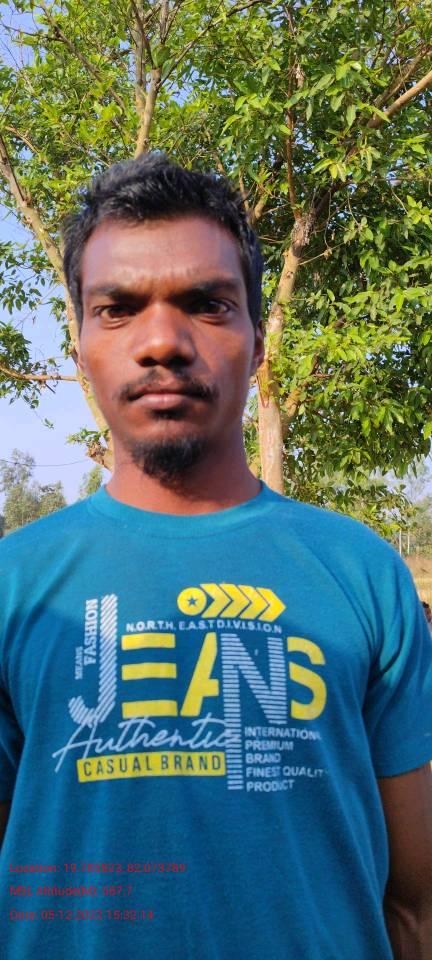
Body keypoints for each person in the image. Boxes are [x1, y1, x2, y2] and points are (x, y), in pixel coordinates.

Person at [0, 154, 431, 960]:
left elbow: (415, 906)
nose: (163, 342)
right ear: (80, 343)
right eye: (118, 308)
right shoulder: (12, 586)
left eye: (207, 304)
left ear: (258, 342)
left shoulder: (366, 576)